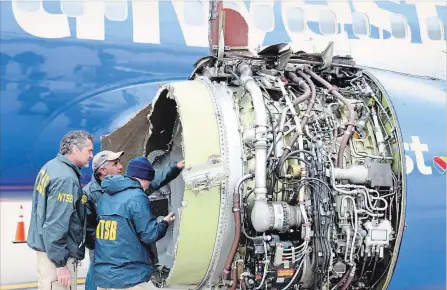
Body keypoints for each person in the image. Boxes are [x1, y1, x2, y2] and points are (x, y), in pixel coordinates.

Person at [84, 151, 184, 290]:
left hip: (109, 264)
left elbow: (151, 180)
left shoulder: (114, 190)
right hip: (117, 261)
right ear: (103, 170)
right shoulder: (90, 194)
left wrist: (174, 168)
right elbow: (149, 234)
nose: (120, 166)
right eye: (115, 163)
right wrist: (164, 223)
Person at [27, 130, 94, 290]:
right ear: (75, 149)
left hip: (47, 252)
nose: (92, 155)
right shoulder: (66, 179)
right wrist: (60, 264)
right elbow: (56, 224)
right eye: (89, 150)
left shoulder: (50, 167)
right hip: (56, 258)